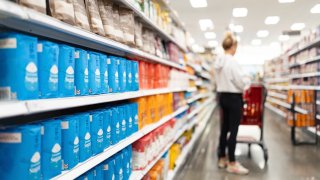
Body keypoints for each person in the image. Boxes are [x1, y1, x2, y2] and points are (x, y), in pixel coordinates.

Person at [214, 32, 250, 175]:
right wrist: (246, 83)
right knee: (233, 131)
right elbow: (240, 81)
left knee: (224, 129)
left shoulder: (219, 62)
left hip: (222, 96)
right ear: (233, 46)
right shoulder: (232, 61)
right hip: (234, 98)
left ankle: (222, 158)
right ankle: (232, 162)